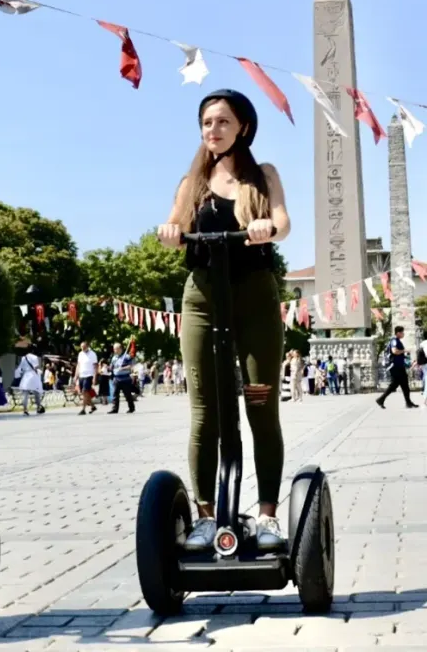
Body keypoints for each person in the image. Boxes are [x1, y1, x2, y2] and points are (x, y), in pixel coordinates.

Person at [157, 89, 290, 552]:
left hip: (254, 300)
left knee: (260, 406)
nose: (212, 130)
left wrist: (266, 227)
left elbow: (283, 222)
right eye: (206, 123)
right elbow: (172, 228)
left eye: (222, 122)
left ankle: (269, 515)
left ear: (243, 128)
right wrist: (170, 232)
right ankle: (206, 516)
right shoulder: (191, 182)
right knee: (205, 415)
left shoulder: (262, 175)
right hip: (202, 300)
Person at [377, 325, 419, 409]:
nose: (403, 334)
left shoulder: (397, 340)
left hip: (399, 366)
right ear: (398, 333)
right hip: (395, 366)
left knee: (402, 384)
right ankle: (381, 399)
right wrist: (405, 350)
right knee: (398, 385)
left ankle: (408, 402)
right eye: (402, 332)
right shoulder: (394, 340)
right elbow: (394, 351)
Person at [16, 346, 45, 416]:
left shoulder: (23, 358)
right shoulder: (35, 357)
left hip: (26, 376)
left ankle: (25, 410)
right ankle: (38, 407)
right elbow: (35, 367)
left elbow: (21, 368)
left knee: (25, 393)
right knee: (36, 392)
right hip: (33, 375)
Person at [109, 342, 136, 414]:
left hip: (125, 378)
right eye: (114, 349)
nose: (115, 350)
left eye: (116, 349)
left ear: (120, 349)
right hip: (116, 378)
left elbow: (131, 366)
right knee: (115, 394)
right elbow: (112, 366)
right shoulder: (114, 358)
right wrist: (110, 368)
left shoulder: (126, 357)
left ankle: (131, 408)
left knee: (127, 394)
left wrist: (123, 368)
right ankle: (115, 409)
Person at [74, 340, 98, 416]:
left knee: (85, 391)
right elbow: (78, 365)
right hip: (81, 375)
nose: (82, 348)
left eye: (84, 347)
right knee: (84, 393)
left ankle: (83, 409)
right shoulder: (80, 354)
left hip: (89, 375)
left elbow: (95, 366)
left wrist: (94, 377)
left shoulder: (93, 354)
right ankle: (93, 406)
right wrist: (76, 375)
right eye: (81, 347)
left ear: (87, 346)